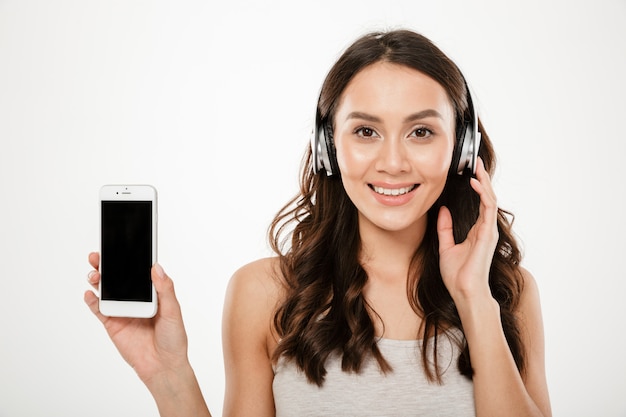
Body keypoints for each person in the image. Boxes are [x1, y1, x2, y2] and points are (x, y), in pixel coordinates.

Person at [85, 29, 551, 416]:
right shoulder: (264, 292)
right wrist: (168, 376)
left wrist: (475, 301)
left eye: (421, 132)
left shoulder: (507, 292)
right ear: (328, 147)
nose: (393, 162)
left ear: (462, 147)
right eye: (365, 131)